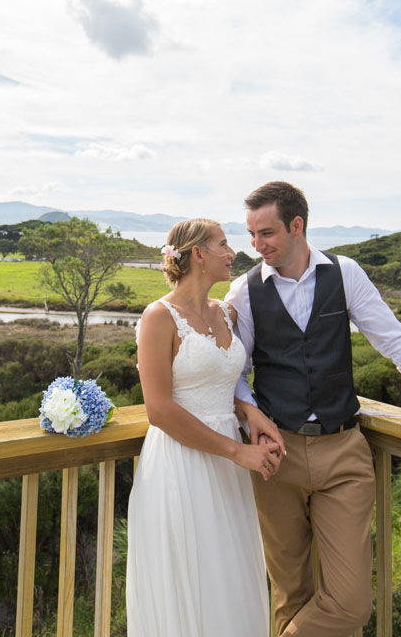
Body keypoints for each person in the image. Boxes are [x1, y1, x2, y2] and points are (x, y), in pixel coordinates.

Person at [227, 181, 401, 637]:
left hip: (343, 455)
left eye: (267, 233)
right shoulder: (245, 291)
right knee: (290, 594)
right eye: (252, 234)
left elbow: (396, 342)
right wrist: (251, 414)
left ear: (297, 226)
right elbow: (234, 370)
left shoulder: (345, 274)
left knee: (350, 603)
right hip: (276, 455)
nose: (257, 246)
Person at [126, 218, 281, 637]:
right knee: (190, 578)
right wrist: (238, 451)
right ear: (198, 255)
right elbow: (158, 409)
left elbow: (225, 380)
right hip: (181, 464)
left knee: (230, 577)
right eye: (224, 245)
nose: (233, 253)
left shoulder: (225, 312)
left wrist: (249, 413)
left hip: (229, 466)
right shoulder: (157, 317)